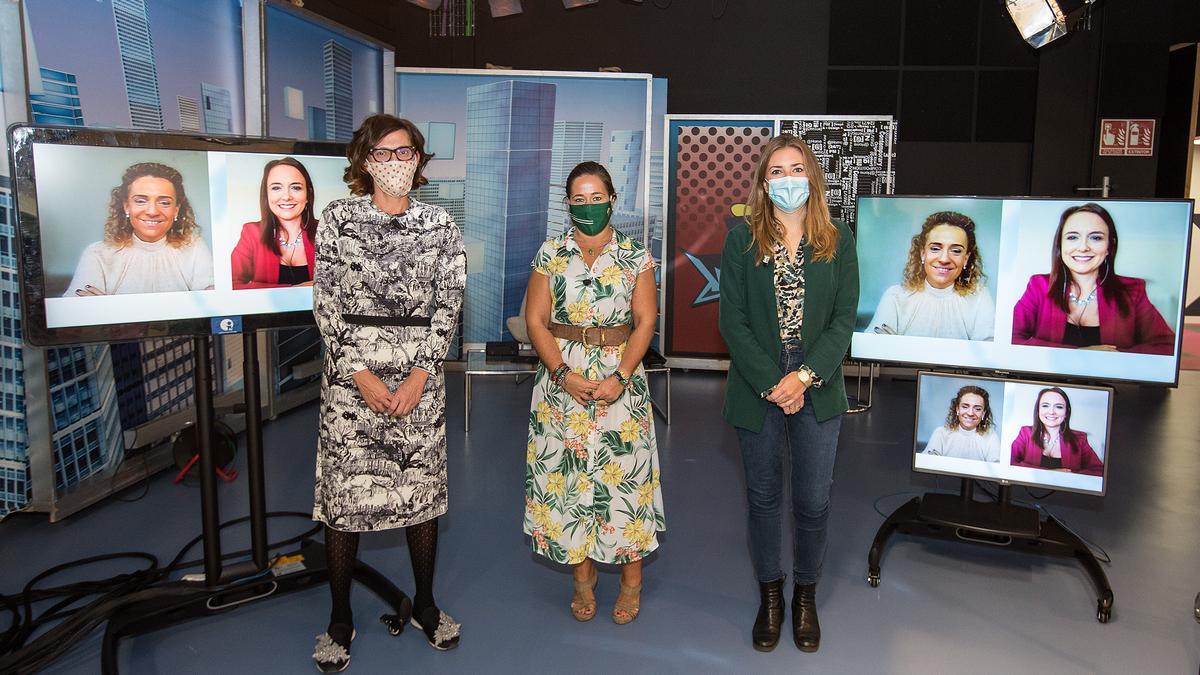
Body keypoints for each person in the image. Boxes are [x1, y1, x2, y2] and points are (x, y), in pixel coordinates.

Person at [311, 114, 466, 672]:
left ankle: (425, 604)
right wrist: (359, 373)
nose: (396, 163)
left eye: (406, 153)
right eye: (384, 153)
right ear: (364, 161)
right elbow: (326, 302)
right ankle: (339, 619)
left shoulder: (441, 225)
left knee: (420, 495)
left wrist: (422, 373)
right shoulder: (337, 220)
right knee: (345, 504)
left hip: (419, 382)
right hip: (352, 382)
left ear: (419, 161)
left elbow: (448, 301)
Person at [718, 134, 859, 653]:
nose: (786, 178)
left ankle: (805, 595)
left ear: (812, 177)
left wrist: (803, 378)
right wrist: (772, 382)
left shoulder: (838, 238)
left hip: (817, 380)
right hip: (758, 380)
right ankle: (770, 595)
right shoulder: (742, 240)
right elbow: (731, 319)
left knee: (814, 501)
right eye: (776, 171)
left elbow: (844, 319)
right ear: (763, 182)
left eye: (795, 168)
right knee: (762, 497)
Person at [522, 161, 664, 627]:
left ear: (612, 199)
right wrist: (563, 374)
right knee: (569, 481)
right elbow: (536, 321)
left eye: (595, 198)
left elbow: (645, 322)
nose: (587, 207)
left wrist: (621, 376)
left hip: (620, 381)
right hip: (561, 383)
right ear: (568, 205)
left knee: (625, 481)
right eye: (578, 200)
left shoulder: (635, 256)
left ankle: (631, 581)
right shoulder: (551, 253)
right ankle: (582, 579)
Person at [1012, 202, 1175, 354]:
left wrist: (1112, 357)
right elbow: (1011, 338)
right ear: (1060, 246)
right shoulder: (1038, 285)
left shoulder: (1133, 290)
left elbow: (1166, 346)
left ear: (1109, 247)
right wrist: (1079, 354)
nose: (1083, 247)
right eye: (1072, 237)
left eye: (1096, 237)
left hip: (1109, 383)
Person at [64, 162, 213, 296]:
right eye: (141, 201)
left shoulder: (194, 247)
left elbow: (210, 305)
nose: (152, 211)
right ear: (126, 207)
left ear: (176, 210)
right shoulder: (97, 254)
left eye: (165, 203)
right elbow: (77, 316)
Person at [866, 211, 994, 340]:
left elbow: (987, 353)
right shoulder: (895, 297)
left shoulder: (979, 297)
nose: (944, 259)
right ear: (922, 254)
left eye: (956, 251)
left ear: (966, 259)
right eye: (935, 248)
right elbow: (873, 349)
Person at [231, 157, 317, 289]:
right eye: (276, 188)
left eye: (296, 187)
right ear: (266, 195)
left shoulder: (328, 231)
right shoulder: (251, 233)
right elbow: (232, 284)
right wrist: (293, 290)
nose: (286, 196)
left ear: (308, 194)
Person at [1010, 387, 1104, 475]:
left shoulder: (1080, 439)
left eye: (1059, 407)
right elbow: (1010, 462)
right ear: (1038, 410)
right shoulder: (1025, 433)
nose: (1051, 412)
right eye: (1045, 405)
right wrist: (1051, 473)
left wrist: (1070, 474)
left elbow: (1099, 471)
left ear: (1066, 412)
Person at [923, 385, 1000, 462]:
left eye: (977, 409)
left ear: (983, 414)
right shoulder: (941, 433)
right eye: (965, 407)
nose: (970, 413)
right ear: (957, 409)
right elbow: (928, 463)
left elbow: (995, 470)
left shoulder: (991, 437)